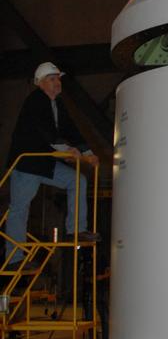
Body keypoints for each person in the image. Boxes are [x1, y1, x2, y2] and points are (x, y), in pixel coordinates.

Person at [4, 62, 99, 267]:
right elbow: (44, 131)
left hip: (44, 162)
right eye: (52, 79)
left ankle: (76, 230)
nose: (57, 83)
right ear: (41, 83)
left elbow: (70, 129)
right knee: (20, 208)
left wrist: (88, 152)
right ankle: (15, 259)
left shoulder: (57, 104)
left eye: (58, 79)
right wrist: (66, 150)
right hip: (27, 163)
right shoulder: (35, 100)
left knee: (77, 179)